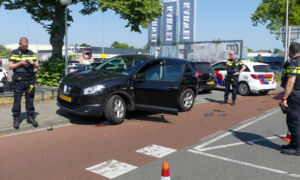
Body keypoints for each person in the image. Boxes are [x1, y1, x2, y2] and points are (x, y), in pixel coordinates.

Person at [8, 37, 39, 129]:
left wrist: (32, 63)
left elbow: (37, 65)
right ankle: (16, 118)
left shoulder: (31, 53)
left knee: (30, 98)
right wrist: (20, 63)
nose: (25, 48)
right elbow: (10, 66)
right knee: (17, 99)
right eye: (24, 46)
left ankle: (30, 117)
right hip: (19, 81)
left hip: (30, 81)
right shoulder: (14, 53)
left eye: (27, 46)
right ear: (20, 44)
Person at [280, 42, 300, 156]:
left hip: (295, 95)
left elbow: (291, 81)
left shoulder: (293, 63)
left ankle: (297, 148)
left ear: (290, 52)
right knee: (297, 120)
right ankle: (293, 143)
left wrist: (284, 98)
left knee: (293, 121)